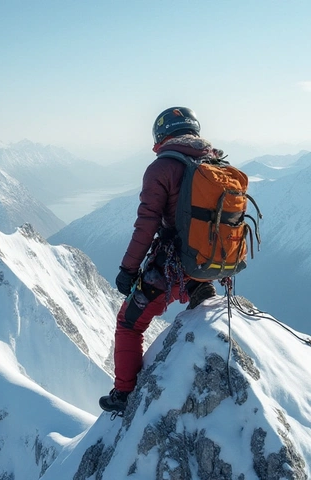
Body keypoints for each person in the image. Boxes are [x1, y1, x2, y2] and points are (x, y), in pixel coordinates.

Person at [99, 107, 218, 415]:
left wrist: (128, 269)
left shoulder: (162, 168)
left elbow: (147, 224)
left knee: (128, 323)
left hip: (169, 266)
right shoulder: (213, 161)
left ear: (162, 136)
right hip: (208, 261)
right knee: (190, 291)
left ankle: (124, 393)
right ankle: (197, 289)